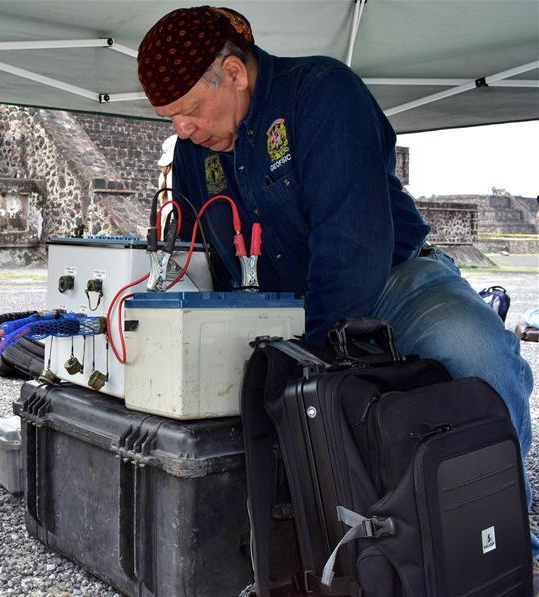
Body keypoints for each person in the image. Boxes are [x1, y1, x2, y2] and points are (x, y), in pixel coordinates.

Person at [137, 5, 536, 556]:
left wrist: (304, 361)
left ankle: (504, 541)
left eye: (190, 111)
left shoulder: (322, 94)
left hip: (392, 282)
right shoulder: (193, 154)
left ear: (234, 73)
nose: (182, 130)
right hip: (274, 309)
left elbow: (352, 246)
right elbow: (196, 258)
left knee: (478, 355)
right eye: (170, 118)